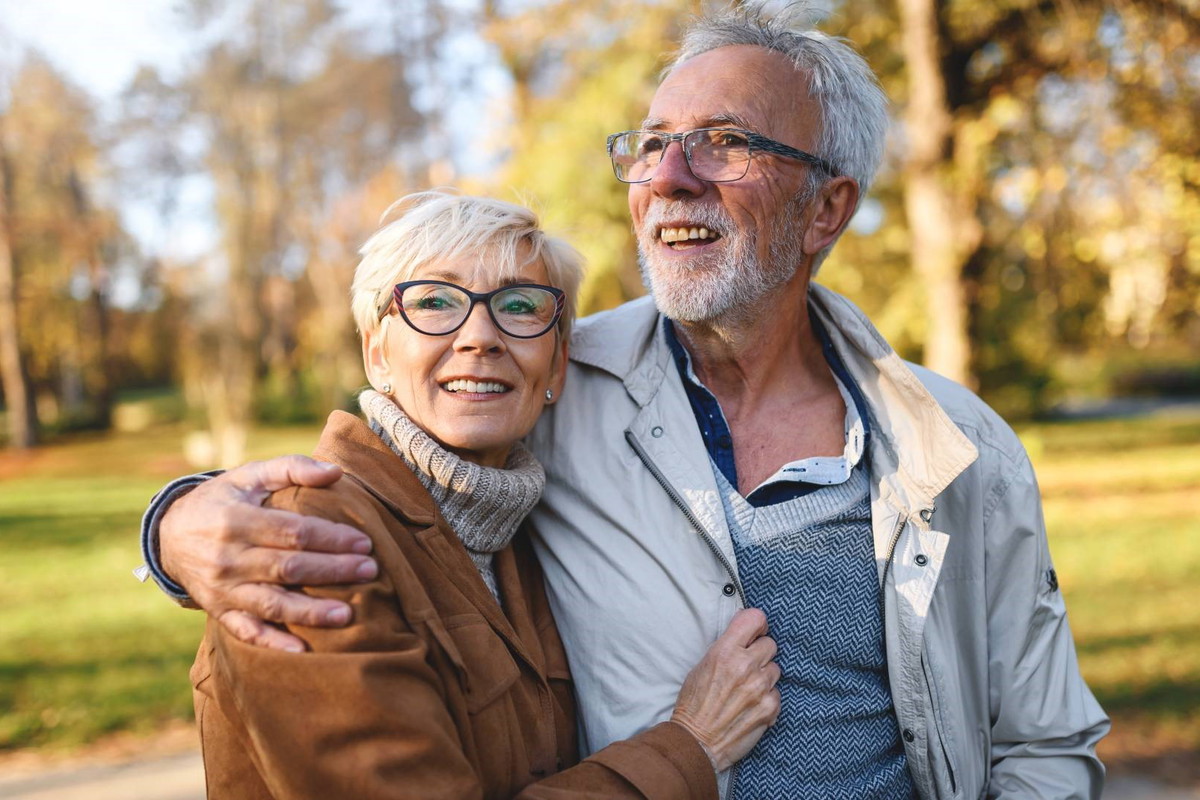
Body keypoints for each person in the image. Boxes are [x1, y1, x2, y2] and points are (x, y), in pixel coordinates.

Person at [139, 4, 1110, 798]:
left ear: (828, 207)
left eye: (724, 143)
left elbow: (1043, 738)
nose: (670, 177)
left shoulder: (955, 442)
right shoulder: (549, 390)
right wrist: (176, 523)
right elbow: (386, 472)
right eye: (652, 146)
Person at [185, 189, 781, 799]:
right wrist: (691, 745)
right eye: (435, 302)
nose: (480, 336)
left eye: (519, 305)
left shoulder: (524, 536)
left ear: (556, 367)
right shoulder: (309, 541)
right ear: (376, 353)